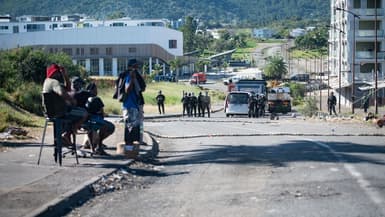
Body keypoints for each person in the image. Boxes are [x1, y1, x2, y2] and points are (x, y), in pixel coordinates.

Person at [42, 64, 88, 146]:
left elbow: (68, 88)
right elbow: (62, 93)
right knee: (84, 114)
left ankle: (66, 134)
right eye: (58, 73)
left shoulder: (47, 81)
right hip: (60, 113)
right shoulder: (54, 82)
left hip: (50, 113)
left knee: (74, 112)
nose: (59, 75)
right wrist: (72, 100)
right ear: (54, 73)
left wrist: (65, 75)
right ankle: (67, 134)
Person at [84, 83, 115, 155]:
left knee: (91, 130)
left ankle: (93, 147)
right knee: (110, 127)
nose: (96, 91)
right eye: (95, 89)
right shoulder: (97, 99)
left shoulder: (85, 99)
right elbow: (102, 112)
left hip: (87, 121)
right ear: (92, 90)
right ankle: (99, 145)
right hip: (96, 121)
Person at [122, 60, 141, 149]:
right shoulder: (129, 77)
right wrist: (132, 79)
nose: (137, 69)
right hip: (129, 106)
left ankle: (131, 149)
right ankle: (128, 150)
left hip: (134, 105)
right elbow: (127, 90)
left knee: (134, 128)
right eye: (135, 67)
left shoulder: (135, 77)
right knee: (129, 127)